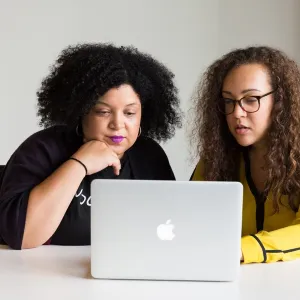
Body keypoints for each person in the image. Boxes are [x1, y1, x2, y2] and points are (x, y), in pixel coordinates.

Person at [0, 43, 182, 250]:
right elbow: (22, 237)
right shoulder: (43, 148)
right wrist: (79, 163)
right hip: (42, 275)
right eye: (103, 112)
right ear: (81, 110)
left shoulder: (150, 156)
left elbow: (172, 228)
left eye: (129, 113)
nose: (118, 124)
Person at [190, 46, 300, 264]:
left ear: (280, 102)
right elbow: (189, 219)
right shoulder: (217, 158)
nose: (237, 113)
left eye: (251, 99)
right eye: (229, 101)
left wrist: (241, 249)